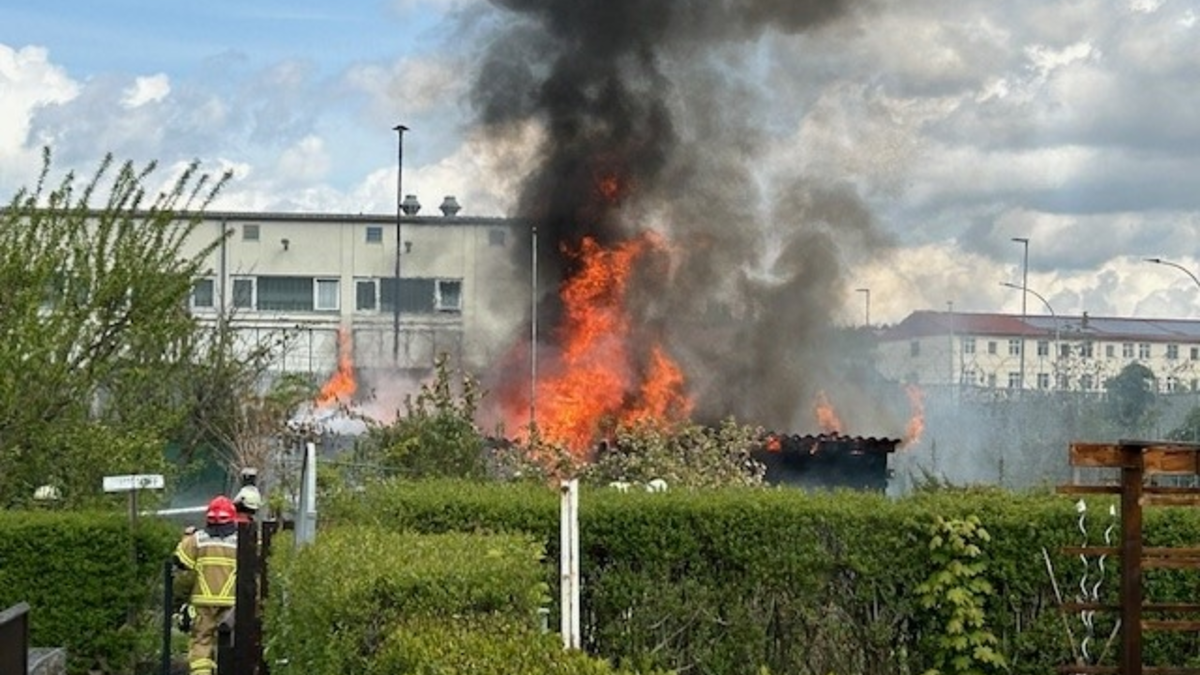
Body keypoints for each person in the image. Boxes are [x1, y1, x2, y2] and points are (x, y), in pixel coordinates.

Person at [174, 495, 239, 675]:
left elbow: (180, 561)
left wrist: (187, 536)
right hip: (233, 602)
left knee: (201, 642)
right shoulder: (242, 540)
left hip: (203, 602)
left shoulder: (198, 539)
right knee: (232, 643)